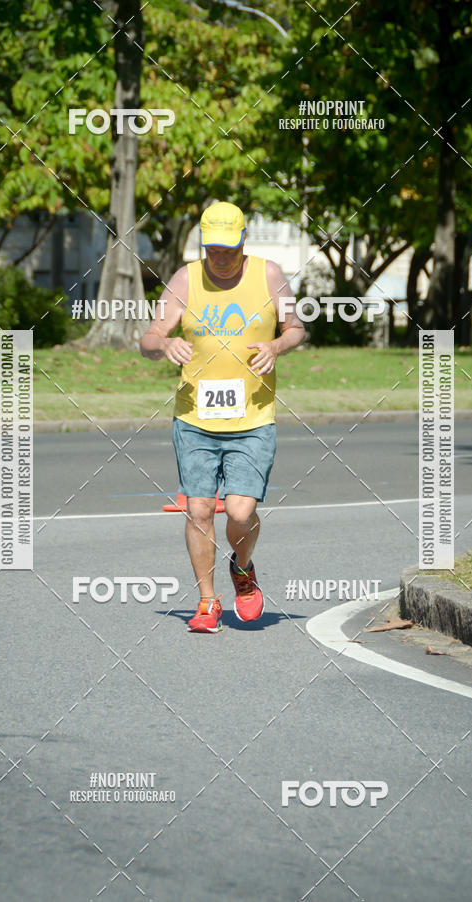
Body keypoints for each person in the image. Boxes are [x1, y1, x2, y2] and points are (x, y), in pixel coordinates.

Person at [140, 202, 305, 633]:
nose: (220, 257)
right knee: (198, 508)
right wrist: (163, 344)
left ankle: (243, 570)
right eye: (213, 248)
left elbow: (296, 328)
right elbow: (149, 335)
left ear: (244, 240)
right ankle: (207, 601)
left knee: (238, 511)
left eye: (228, 249)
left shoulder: (268, 274)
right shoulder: (186, 278)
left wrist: (275, 347)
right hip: (194, 416)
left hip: (252, 417)